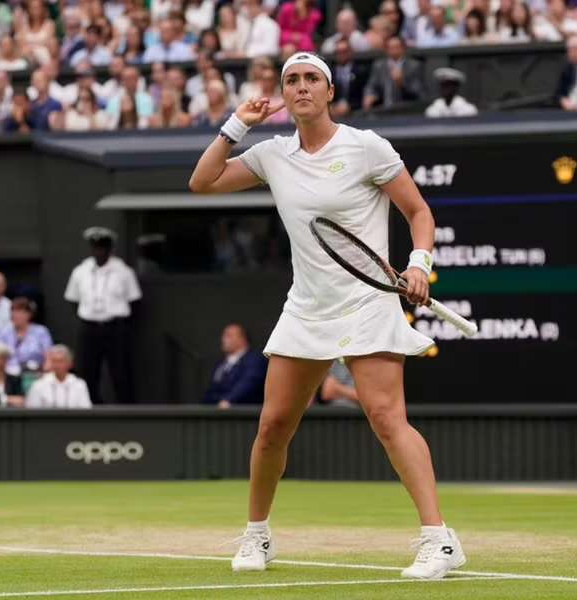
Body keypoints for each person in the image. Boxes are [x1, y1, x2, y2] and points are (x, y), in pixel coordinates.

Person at [189, 52, 464, 579]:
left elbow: (419, 212)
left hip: (367, 302)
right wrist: (238, 124)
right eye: (291, 80)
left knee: (387, 419)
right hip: (307, 308)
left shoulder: (366, 147)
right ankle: (257, 535)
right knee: (272, 427)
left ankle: (439, 540)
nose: (300, 87)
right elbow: (202, 182)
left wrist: (420, 264)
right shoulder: (272, 154)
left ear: (330, 91)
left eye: (311, 78)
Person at [64, 227, 141, 404]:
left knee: (120, 370)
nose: (99, 252)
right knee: (87, 370)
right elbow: (73, 299)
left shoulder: (124, 272)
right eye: (95, 247)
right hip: (89, 325)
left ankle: (126, 409)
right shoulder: (80, 271)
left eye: (103, 248)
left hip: (115, 326)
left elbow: (135, 301)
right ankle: (92, 407)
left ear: (110, 249)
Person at [201, 324, 268, 408]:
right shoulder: (221, 364)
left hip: (243, 414)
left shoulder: (255, 360)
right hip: (216, 413)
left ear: (242, 339)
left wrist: (228, 400)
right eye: (224, 335)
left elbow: (248, 383)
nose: (224, 339)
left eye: (229, 335)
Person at [363, 36, 425, 110]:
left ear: (403, 49)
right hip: (383, 107)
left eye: (397, 47)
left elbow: (418, 92)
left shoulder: (414, 66)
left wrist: (401, 84)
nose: (394, 50)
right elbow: (371, 85)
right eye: (391, 48)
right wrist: (369, 95)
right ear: (386, 49)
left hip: (406, 107)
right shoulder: (379, 66)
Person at [0, 296, 53, 377]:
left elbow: (49, 355)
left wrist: (45, 371)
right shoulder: (5, 332)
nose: (17, 316)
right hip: (10, 374)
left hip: (35, 372)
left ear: (29, 314)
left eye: (22, 312)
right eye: (14, 312)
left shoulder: (41, 331)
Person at [25, 345, 92, 408]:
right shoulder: (38, 385)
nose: (57, 365)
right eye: (54, 361)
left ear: (70, 363)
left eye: (61, 361)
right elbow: (32, 411)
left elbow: (86, 410)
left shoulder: (79, 385)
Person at [330, 39, 369, 118]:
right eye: (338, 52)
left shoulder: (361, 71)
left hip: (356, 112)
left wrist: (350, 106)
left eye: (344, 51)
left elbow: (364, 96)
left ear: (350, 52)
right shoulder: (330, 73)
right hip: (334, 113)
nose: (341, 55)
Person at [556, 34, 577, 108]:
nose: (573, 53)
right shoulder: (566, 68)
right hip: (570, 105)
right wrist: (563, 100)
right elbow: (560, 92)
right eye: (570, 50)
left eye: (576, 49)